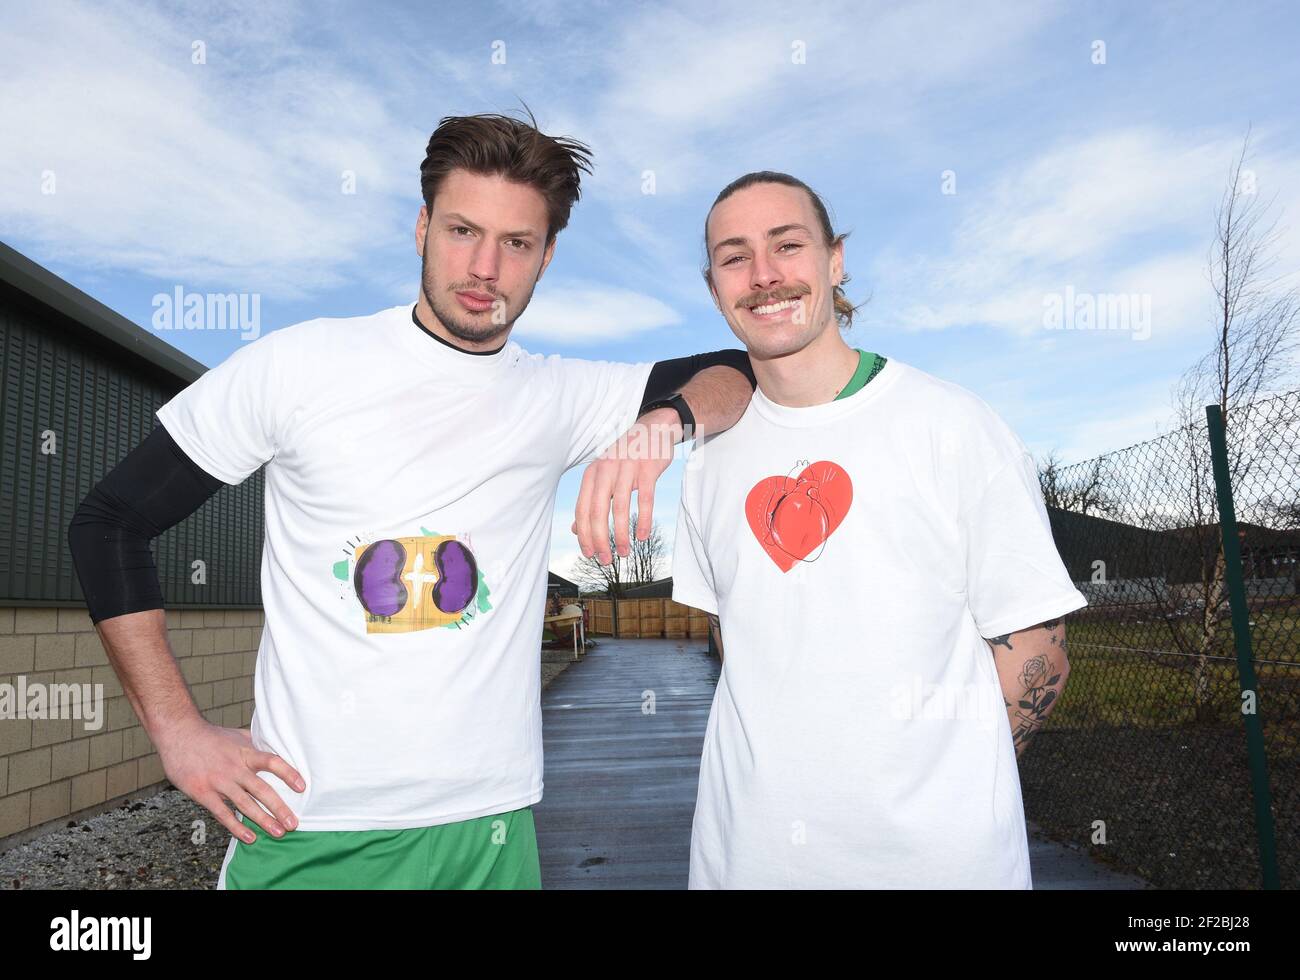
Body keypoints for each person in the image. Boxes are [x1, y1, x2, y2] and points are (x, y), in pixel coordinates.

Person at [66, 110, 757, 890]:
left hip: (490, 830)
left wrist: (668, 420)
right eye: (463, 231)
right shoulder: (299, 365)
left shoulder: (558, 393)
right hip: (308, 824)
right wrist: (178, 732)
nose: (485, 266)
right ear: (423, 226)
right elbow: (109, 524)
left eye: (517, 243)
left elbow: (739, 367)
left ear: (547, 256)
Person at [666, 171, 1088, 888]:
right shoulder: (711, 456)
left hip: (940, 867)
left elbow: (1037, 651)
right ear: (715, 289)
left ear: (834, 261)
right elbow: (735, 638)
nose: (764, 276)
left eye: (787, 245)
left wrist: (952, 786)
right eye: (735, 257)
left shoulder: (953, 425)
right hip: (746, 860)